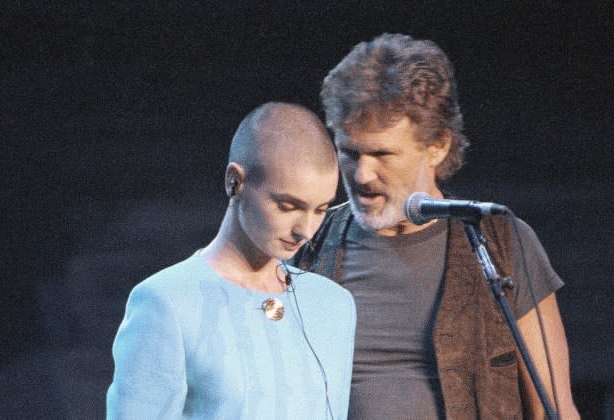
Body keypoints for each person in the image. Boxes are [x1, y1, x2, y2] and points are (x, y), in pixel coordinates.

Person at [292, 34, 580, 419]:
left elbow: (555, 410)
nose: (362, 174)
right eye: (349, 151)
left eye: (382, 154)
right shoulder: (310, 242)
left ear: (438, 146)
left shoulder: (501, 243)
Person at [106, 102, 356, 419]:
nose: (305, 230)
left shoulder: (333, 304)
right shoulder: (167, 302)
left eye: (320, 210)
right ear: (234, 181)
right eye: (287, 205)